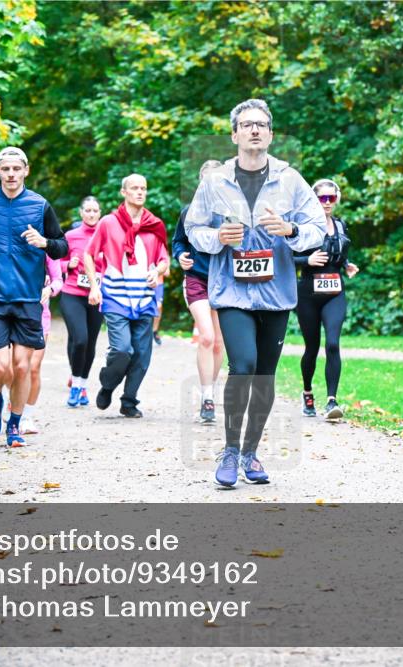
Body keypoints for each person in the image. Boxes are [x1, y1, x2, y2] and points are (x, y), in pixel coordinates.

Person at [185, 99, 325, 486]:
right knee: (242, 365)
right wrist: (216, 237)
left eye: (262, 124)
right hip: (231, 290)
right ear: (234, 134)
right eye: (247, 124)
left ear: (271, 134)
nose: (255, 130)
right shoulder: (214, 182)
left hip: (276, 291)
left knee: (264, 373)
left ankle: (251, 453)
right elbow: (193, 228)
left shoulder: (290, 179)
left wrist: (292, 231)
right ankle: (230, 452)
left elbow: (318, 226)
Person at [0, 146, 68, 447]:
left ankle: (15, 425)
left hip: (27, 298)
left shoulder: (40, 205)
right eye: (5, 169)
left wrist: (44, 241)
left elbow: (62, 246)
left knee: (22, 366)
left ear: (26, 171)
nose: (11, 174)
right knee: (1, 367)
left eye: (16, 169)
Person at [84, 174, 169, 418]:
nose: (140, 192)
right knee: (122, 350)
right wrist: (94, 286)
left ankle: (129, 401)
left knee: (142, 356)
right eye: (134, 188)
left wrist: (157, 270)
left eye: (143, 188)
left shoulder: (155, 225)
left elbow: (164, 259)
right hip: (115, 297)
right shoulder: (109, 223)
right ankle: (108, 385)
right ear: (124, 192)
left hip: (144, 298)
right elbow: (89, 254)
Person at [294, 179, 360, 420]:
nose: (328, 203)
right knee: (311, 347)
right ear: (315, 199)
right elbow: (286, 258)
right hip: (308, 294)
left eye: (331, 198)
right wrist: (306, 261)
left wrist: (347, 265)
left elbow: (340, 254)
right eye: (323, 198)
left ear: (337, 199)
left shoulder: (341, 226)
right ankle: (308, 393)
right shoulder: (304, 226)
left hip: (334, 292)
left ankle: (332, 400)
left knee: (332, 343)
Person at [173, 159, 225, 422]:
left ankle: (211, 392)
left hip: (225, 281)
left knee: (218, 343)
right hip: (197, 279)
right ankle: (206, 398)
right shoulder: (189, 211)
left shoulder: (232, 212)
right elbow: (179, 242)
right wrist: (181, 255)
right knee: (205, 336)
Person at [60, 196, 105, 407]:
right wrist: (68, 264)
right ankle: (75, 384)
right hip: (72, 293)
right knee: (80, 339)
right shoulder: (70, 236)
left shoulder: (105, 236)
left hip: (97, 296)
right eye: (87, 210)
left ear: (100, 213)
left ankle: (82, 384)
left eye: (95, 210)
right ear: (81, 213)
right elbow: (55, 262)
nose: (92, 214)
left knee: (91, 343)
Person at [18, 254, 64, 433]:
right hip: (13, 314)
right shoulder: (12, 243)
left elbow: (58, 280)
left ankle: (27, 417)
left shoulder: (47, 248)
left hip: (39, 316)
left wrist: (50, 289)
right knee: (16, 367)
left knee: (33, 367)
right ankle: (9, 402)